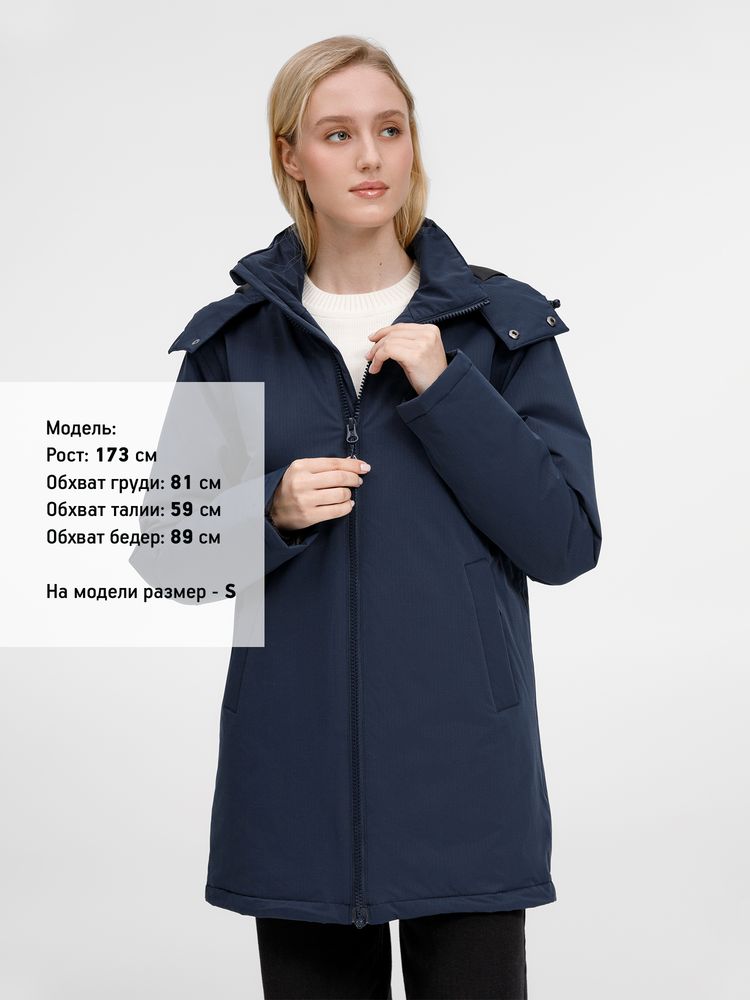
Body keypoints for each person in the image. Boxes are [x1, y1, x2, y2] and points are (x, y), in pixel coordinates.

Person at [161, 34, 602, 1000]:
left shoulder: (499, 330)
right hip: (295, 776)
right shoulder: (233, 343)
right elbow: (170, 557)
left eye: (390, 129)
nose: (370, 156)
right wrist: (267, 508)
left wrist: (448, 388)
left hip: (466, 774)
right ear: (291, 157)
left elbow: (566, 541)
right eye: (338, 133)